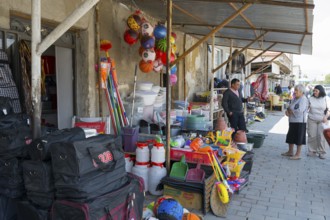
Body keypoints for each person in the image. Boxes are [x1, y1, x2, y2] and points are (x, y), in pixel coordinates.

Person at [281, 84, 308, 160]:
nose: (295, 92)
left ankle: (298, 154)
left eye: (296, 90)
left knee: (299, 138)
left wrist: (290, 111)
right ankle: (290, 151)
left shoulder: (303, 99)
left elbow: (300, 111)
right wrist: (287, 111)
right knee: (291, 136)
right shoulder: (294, 98)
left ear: (301, 91)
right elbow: (289, 107)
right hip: (292, 121)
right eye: (295, 90)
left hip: (300, 122)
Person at [307, 85, 330, 159]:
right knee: (312, 135)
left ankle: (321, 152)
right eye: (314, 91)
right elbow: (306, 108)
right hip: (311, 119)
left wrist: (326, 117)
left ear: (321, 91)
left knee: (321, 136)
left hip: (322, 120)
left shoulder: (326, 99)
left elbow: (329, 110)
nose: (314, 92)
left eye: (316, 91)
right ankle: (312, 150)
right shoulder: (310, 98)